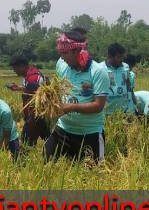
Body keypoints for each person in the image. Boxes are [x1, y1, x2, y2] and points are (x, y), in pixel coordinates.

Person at [44, 31, 109, 163]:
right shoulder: (61, 65)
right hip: (63, 129)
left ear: (77, 51)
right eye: (60, 53)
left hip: (90, 133)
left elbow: (98, 106)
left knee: (94, 177)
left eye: (64, 53)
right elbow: (57, 89)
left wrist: (71, 107)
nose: (61, 57)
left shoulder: (98, 71)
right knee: (45, 164)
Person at [7, 55, 49, 147]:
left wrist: (30, 119)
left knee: (26, 144)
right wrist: (18, 88)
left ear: (22, 66)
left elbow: (35, 93)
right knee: (49, 139)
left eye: (15, 68)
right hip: (36, 116)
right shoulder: (27, 75)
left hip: (36, 117)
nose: (14, 70)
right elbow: (31, 89)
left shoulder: (33, 77)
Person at [104, 43, 136, 115]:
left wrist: (135, 103)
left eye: (122, 57)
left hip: (124, 111)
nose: (122, 59)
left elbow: (129, 86)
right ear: (110, 56)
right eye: (119, 57)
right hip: (106, 112)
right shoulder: (100, 68)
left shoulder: (126, 67)